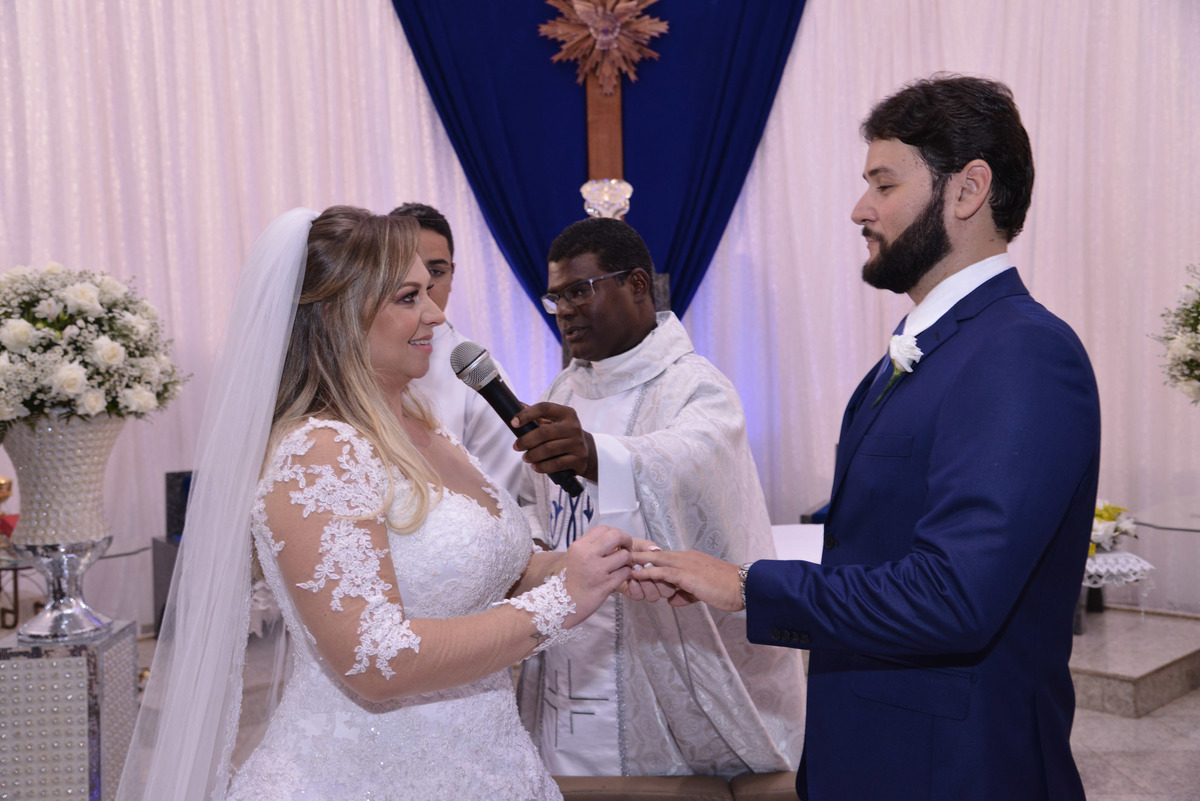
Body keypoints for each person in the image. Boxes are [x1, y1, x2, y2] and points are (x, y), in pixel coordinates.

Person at [631, 75, 1101, 801]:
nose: (860, 208)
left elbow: (953, 595)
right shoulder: (918, 351)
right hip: (873, 755)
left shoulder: (1023, 353)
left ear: (968, 189)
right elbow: (884, 529)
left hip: (957, 769)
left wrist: (744, 585)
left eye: (883, 183)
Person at [116, 206, 636, 801]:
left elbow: (493, 569)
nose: (437, 314)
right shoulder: (318, 453)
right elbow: (374, 659)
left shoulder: (420, 424)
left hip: (490, 761)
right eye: (409, 297)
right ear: (341, 313)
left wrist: (589, 563)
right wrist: (563, 601)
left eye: (431, 291)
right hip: (366, 776)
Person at [512, 217, 805, 777]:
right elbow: (536, 501)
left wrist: (596, 453)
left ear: (638, 285)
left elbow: (696, 459)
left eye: (579, 290)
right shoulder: (564, 388)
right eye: (555, 298)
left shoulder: (694, 384)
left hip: (654, 654)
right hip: (572, 649)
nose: (565, 310)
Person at [390, 202, 525, 497]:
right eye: (406, 273)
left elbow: (498, 495)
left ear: (453, 274)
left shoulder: (478, 374)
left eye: (436, 272)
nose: (425, 287)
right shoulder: (346, 361)